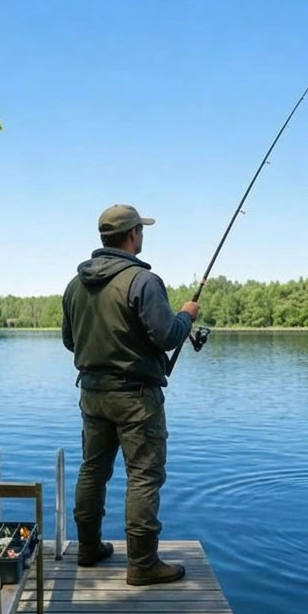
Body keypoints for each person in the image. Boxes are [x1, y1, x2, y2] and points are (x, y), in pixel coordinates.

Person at [61, 203, 199, 586]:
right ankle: (141, 563)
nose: (143, 235)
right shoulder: (143, 281)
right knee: (143, 476)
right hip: (137, 397)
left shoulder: (75, 285)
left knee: (93, 470)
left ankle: (88, 547)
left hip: (91, 394)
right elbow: (168, 335)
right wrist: (187, 315)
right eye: (141, 229)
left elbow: (70, 341)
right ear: (133, 234)